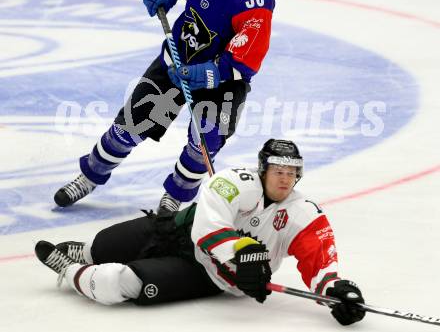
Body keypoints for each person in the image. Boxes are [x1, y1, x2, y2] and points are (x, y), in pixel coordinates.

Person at [54, 0, 275, 213]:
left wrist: (211, 73)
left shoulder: (256, 0)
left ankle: (175, 199)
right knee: (129, 127)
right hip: (176, 64)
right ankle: (90, 176)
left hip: (221, 81)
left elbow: (246, 61)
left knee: (204, 144)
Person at [37, 139, 366, 326]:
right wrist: (241, 256)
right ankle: (83, 254)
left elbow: (319, 261)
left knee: (122, 282)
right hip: (176, 232)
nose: (285, 179)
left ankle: (69, 270)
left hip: (206, 274)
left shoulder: (302, 212)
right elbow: (209, 229)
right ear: (263, 170)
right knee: (102, 245)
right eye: (278, 171)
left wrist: (333, 291)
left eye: (292, 173)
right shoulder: (234, 181)